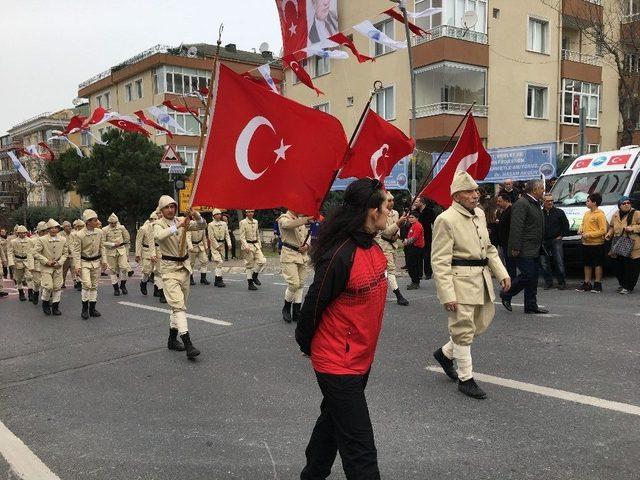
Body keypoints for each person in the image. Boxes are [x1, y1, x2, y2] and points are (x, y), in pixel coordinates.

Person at [295, 178, 389, 480]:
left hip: (361, 357)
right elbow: (312, 306)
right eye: (387, 205)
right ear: (371, 211)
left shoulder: (373, 248)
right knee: (360, 447)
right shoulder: (340, 255)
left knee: (333, 424)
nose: (391, 210)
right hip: (337, 362)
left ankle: (312, 474)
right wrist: (309, 346)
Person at [431, 171, 510, 399]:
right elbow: (439, 260)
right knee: (463, 329)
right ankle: (466, 379)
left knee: (481, 322)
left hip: (482, 277)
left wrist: (501, 272)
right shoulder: (445, 219)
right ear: (456, 195)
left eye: (476, 190)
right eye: (469, 191)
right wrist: (447, 294)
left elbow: (489, 248)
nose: (475, 195)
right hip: (460, 281)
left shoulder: (479, 214)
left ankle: (446, 354)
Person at [153, 195, 206, 359]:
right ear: (161, 210)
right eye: (167, 207)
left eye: (173, 206)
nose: (170, 210)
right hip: (169, 270)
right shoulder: (157, 224)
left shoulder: (183, 219)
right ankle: (188, 344)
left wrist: (195, 215)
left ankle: (171, 339)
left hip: (184, 267)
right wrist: (179, 225)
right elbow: (159, 236)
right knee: (179, 307)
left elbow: (202, 226)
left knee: (178, 306)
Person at [500, 179, 548, 314]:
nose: (543, 191)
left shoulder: (535, 202)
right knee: (528, 275)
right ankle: (506, 294)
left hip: (535, 246)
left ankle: (531, 306)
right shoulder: (522, 203)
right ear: (534, 190)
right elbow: (516, 226)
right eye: (542, 188)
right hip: (523, 247)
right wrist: (515, 247)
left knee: (533, 278)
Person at [375, 191, 409, 305]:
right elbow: (385, 231)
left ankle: (379, 291)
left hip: (393, 245)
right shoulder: (380, 213)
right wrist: (398, 224)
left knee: (385, 270)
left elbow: (397, 230)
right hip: (383, 245)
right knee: (391, 270)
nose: (392, 202)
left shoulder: (395, 213)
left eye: (392, 200)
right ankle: (398, 295)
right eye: (389, 200)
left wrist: (397, 235)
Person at [72, 210, 108, 319]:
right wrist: (77, 266)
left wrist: (104, 261)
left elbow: (102, 247)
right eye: (95, 220)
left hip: (96, 262)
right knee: (86, 284)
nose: (97, 222)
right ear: (88, 222)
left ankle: (92, 308)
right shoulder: (79, 235)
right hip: (84, 262)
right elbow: (76, 251)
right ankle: (84, 308)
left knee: (94, 285)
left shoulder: (100, 232)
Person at [277, 209, 311, 323]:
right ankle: (286, 308)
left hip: (302, 255)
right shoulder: (283, 218)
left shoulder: (299, 219)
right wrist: (305, 219)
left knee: (301, 284)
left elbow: (307, 235)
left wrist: (306, 245)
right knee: (294, 283)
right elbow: (288, 225)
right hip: (289, 255)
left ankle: (297, 311)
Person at [605, 195, 640, 294]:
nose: (627, 205)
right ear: (619, 205)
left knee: (632, 267)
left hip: (633, 244)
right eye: (624, 203)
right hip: (619, 243)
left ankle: (628, 287)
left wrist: (633, 228)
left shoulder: (636, 213)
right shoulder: (615, 215)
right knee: (618, 265)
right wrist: (609, 234)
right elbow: (611, 226)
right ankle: (623, 284)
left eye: (628, 203)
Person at [32, 219, 67, 316]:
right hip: (46, 267)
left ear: (59, 229)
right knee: (48, 286)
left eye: (56, 228)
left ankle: (56, 306)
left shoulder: (63, 239)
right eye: (51, 228)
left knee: (57, 287)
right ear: (48, 229)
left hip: (58, 267)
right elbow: (35, 252)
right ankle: (45, 303)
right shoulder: (41, 240)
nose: (54, 230)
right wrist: (47, 261)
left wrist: (60, 262)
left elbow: (65, 253)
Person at [576, 193, 607, 293]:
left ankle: (597, 284)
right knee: (587, 264)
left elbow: (603, 230)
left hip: (596, 244)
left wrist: (589, 235)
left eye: (588, 201)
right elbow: (582, 224)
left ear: (594, 203)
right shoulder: (587, 213)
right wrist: (580, 229)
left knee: (597, 264)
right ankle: (587, 283)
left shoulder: (600, 214)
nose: (586, 203)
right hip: (586, 243)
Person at [540, 194, 569, 290]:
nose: (550, 202)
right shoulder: (540, 213)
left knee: (559, 261)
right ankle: (548, 282)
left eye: (551, 200)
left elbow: (566, 225)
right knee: (544, 263)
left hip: (556, 240)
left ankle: (561, 282)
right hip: (543, 241)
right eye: (547, 201)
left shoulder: (559, 212)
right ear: (543, 202)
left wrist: (561, 236)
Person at [102, 213, 131, 296]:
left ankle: (123, 285)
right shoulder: (104, 230)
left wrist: (121, 243)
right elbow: (103, 242)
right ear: (109, 222)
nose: (113, 224)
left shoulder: (121, 228)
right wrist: (112, 244)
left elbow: (127, 238)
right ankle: (116, 288)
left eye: (115, 222)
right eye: (112, 223)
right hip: (111, 252)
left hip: (121, 250)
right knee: (112, 270)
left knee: (124, 268)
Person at [239, 209, 266, 291]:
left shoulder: (256, 221)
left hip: (256, 245)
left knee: (262, 261)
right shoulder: (243, 222)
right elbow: (242, 236)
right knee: (249, 265)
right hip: (248, 245)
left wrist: (259, 244)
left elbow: (257, 234)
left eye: (252, 212)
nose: (251, 213)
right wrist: (245, 246)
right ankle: (250, 283)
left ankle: (254, 276)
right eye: (249, 212)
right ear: (246, 213)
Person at [207, 209, 232, 288]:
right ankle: (219, 280)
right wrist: (216, 246)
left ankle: (216, 280)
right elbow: (211, 237)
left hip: (222, 244)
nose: (219, 215)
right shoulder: (210, 225)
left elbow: (227, 235)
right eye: (217, 214)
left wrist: (229, 243)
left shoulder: (224, 224)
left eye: (219, 214)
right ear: (213, 216)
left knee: (219, 263)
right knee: (219, 261)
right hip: (215, 246)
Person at [135, 211, 159, 295]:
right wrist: (137, 254)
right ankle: (143, 283)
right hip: (146, 250)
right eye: (153, 219)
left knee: (158, 271)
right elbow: (138, 241)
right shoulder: (143, 228)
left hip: (158, 250)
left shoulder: (160, 227)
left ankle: (157, 290)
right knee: (146, 271)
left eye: (157, 219)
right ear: (150, 219)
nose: (155, 220)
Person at [416, 197, 439, 280]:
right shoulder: (416, 212)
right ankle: (419, 274)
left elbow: (435, 222)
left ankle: (428, 273)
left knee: (427, 255)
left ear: (422, 203)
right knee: (418, 255)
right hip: (417, 236)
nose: (415, 203)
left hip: (427, 235)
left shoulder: (429, 211)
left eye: (416, 202)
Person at [7, 226, 32, 301]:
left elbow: (32, 251)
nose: (23, 234)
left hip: (27, 261)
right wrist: (11, 263)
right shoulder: (13, 241)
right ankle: (21, 293)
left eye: (24, 233)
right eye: (21, 233)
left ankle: (31, 294)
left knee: (30, 277)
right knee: (18, 279)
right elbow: (10, 252)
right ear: (18, 233)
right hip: (18, 261)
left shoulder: (30, 241)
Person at [27, 221, 48, 305]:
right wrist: (31, 266)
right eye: (45, 231)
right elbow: (29, 253)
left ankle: (46, 299)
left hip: (47, 264)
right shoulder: (32, 240)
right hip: (36, 265)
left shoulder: (49, 238)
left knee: (46, 283)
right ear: (40, 231)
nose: (47, 232)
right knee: (38, 283)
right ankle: (35, 293)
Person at [404, 211, 425, 290]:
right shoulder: (413, 225)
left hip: (416, 248)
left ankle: (415, 282)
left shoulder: (418, 226)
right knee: (412, 265)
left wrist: (407, 241)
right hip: (413, 247)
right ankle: (414, 281)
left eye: (413, 217)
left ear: (417, 218)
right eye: (410, 217)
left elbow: (415, 237)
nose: (411, 219)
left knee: (412, 265)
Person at [188, 220, 210, 286]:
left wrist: (206, 247)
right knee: (191, 263)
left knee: (204, 261)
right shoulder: (191, 225)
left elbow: (204, 238)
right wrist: (190, 247)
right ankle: (190, 279)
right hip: (192, 246)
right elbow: (188, 238)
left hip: (200, 246)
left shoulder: (202, 226)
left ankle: (203, 279)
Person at [496, 192, 513, 272]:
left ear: (506, 201)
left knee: (511, 264)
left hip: (509, 243)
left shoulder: (511, 211)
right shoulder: (504, 211)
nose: (498, 203)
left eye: (500, 201)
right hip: (504, 242)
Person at [71, 220, 85, 290]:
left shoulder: (85, 233)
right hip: (76, 253)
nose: (80, 227)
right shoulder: (73, 234)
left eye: (81, 226)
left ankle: (83, 282)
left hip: (84, 254)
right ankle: (79, 282)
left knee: (84, 269)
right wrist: (74, 253)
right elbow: (71, 244)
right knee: (77, 268)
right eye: (78, 226)